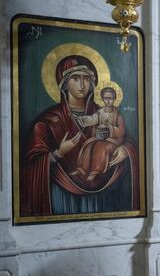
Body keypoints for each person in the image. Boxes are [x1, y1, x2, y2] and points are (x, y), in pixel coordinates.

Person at [20, 55, 140, 216]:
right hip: (63, 199)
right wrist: (57, 154)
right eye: (75, 78)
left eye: (86, 79)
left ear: (92, 83)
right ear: (64, 84)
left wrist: (126, 150)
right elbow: (30, 166)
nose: (82, 85)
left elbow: (129, 140)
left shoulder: (104, 113)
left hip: (107, 199)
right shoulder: (48, 122)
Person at [72, 86, 126, 181]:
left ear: (114, 99)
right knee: (88, 145)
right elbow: (92, 119)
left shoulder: (117, 114)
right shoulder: (100, 113)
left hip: (113, 140)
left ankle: (95, 171)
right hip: (100, 137)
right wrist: (81, 119)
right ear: (102, 99)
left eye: (110, 98)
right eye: (106, 98)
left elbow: (121, 130)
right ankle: (82, 169)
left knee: (102, 148)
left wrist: (109, 129)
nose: (108, 101)